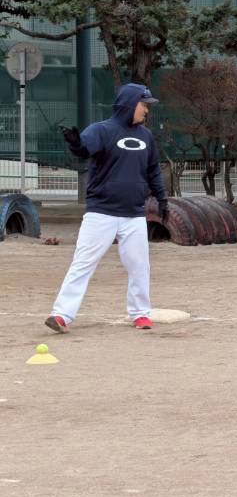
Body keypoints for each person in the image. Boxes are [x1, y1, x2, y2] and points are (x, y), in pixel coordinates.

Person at [45, 83, 168, 334]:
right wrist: (75, 143)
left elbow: (153, 170)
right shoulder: (102, 130)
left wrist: (162, 199)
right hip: (100, 213)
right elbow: (84, 149)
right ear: (130, 104)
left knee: (139, 266)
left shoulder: (146, 137)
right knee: (83, 263)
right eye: (144, 105)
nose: (146, 110)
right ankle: (61, 315)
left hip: (134, 214)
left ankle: (140, 313)